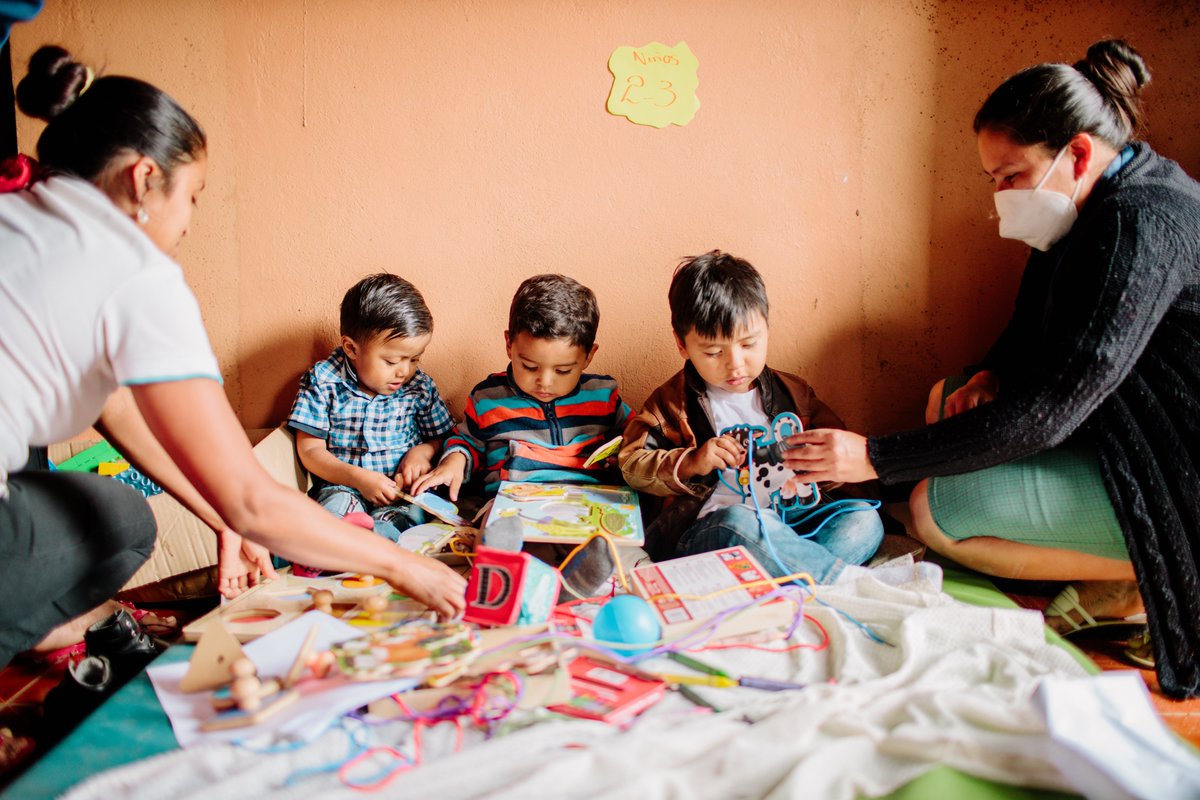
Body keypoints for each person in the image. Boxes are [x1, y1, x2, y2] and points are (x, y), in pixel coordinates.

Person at [0, 46, 466, 672]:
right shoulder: (137, 276)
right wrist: (405, 567)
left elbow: (117, 408)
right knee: (120, 521)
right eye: (193, 196)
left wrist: (224, 524)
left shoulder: (22, 213)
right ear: (142, 179)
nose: (189, 223)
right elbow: (253, 497)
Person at [788, 40, 1200, 698]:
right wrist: (991, 373)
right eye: (992, 180)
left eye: (1010, 176)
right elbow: (1031, 326)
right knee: (946, 397)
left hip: (1174, 470)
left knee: (931, 512)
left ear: (1078, 154)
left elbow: (1050, 413)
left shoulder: (1140, 227)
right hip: (1114, 424)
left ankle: (1139, 579)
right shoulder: (1089, 203)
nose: (1000, 196)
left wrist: (873, 457)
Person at [618, 251, 883, 581]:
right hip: (714, 530)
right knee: (741, 521)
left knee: (863, 521)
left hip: (792, 524)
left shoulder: (794, 392)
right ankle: (840, 582)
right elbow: (632, 464)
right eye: (714, 352)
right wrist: (692, 462)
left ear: (767, 329)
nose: (736, 364)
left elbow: (838, 453)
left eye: (749, 344)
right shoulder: (671, 403)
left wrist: (811, 464)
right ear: (682, 345)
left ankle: (790, 579)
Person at [412, 274, 631, 500]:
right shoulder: (488, 398)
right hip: (511, 506)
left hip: (590, 504)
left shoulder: (603, 396)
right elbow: (466, 442)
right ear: (509, 345)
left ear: (588, 356)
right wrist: (452, 463)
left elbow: (638, 435)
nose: (545, 382)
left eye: (563, 371)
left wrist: (627, 454)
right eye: (529, 366)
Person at [287, 273, 454, 557]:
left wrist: (423, 452)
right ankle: (333, 543)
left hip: (401, 492)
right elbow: (309, 450)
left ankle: (375, 540)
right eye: (391, 361)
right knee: (333, 510)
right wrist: (358, 479)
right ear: (352, 348)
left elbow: (445, 436)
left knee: (411, 517)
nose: (404, 371)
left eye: (414, 358)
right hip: (345, 485)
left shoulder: (418, 386)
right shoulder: (324, 380)